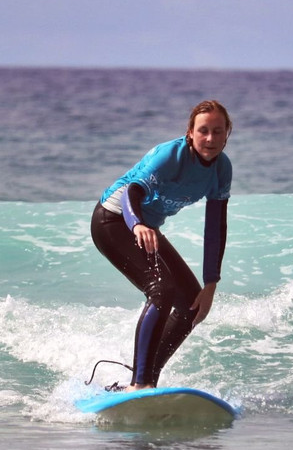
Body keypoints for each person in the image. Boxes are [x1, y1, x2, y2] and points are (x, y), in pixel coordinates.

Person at [91, 100, 233, 390]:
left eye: (218, 131)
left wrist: (210, 285)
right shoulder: (169, 156)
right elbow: (133, 191)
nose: (210, 138)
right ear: (190, 132)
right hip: (114, 220)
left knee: (191, 305)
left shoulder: (221, 169)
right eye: (203, 131)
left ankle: (145, 382)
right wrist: (137, 224)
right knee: (161, 289)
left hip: (146, 227)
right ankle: (139, 384)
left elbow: (216, 228)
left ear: (227, 134)